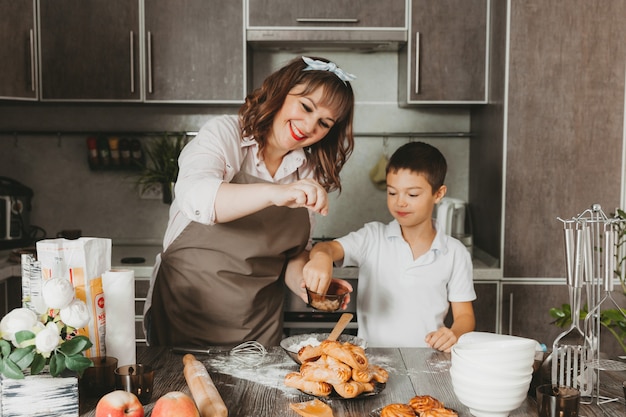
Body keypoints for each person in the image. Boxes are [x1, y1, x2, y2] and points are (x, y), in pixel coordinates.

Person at [143, 56, 357, 347]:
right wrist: (274, 193)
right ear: (281, 92)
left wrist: (308, 286)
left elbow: (294, 253)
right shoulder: (226, 134)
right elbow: (199, 198)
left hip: (256, 330)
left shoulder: (307, 170)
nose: (309, 126)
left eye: (324, 123)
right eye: (306, 107)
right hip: (185, 317)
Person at [303, 141, 476, 352]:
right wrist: (321, 258)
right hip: (372, 360)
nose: (400, 202)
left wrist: (454, 334)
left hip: (428, 360)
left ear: (438, 194)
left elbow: (465, 317)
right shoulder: (372, 237)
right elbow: (326, 249)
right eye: (392, 192)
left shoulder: (455, 252)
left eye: (412, 194)